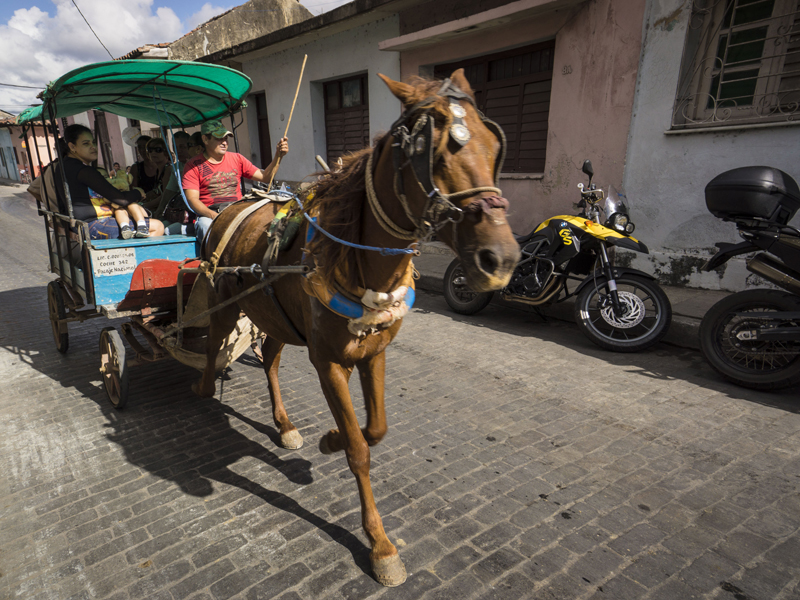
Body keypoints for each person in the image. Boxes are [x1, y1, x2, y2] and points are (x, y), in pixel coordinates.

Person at [182, 120, 288, 250]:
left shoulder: (237, 158)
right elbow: (192, 199)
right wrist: (214, 216)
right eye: (218, 138)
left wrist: (278, 156)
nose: (224, 142)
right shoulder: (193, 165)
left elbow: (265, 177)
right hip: (211, 214)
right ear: (205, 139)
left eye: (226, 138)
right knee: (205, 226)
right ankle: (213, 263)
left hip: (237, 210)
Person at [53, 124, 164, 240]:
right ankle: (141, 257)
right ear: (72, 146)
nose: (93, 147)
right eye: (86, 144)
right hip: (94, 225)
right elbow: (120, 199)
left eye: (93, 142)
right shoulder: (83, 170)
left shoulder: (63, 166)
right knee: (158, 226)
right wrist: (138, 193)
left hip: (82, 225)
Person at [92, 166, 151, 239]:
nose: (104, 179)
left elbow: (124, 197)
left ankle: (142, 226)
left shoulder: (112, 187)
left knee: (132, 205)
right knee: (119, 210)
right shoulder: (98, 192)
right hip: (119, 211)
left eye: (105, 176)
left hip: (133, 211)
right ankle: (125, 228)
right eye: (101, 177)